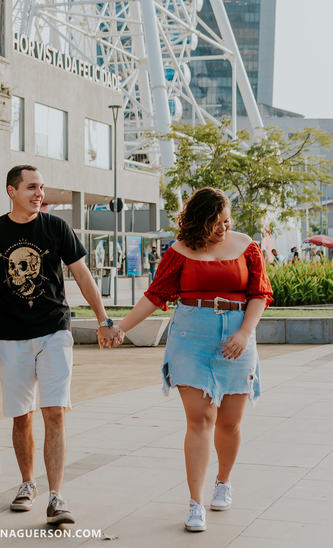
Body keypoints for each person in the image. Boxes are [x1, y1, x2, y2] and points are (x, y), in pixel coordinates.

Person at [98, 188, 273, 532]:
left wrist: (244, 334)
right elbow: (156, 295)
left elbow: (260, 293)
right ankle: (195, 503)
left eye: (227, 221)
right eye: (216, 222)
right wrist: (120, 328)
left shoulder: (247, 246)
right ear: (199, 219)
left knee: (229, 422)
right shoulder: (179, 252)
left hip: (237, 335)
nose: (224, 228)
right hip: (191, 336)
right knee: (200, 419)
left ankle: (223, 481)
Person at [0, 165, 117, 527]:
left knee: (54, 412)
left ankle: (56, 496)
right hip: (12, 337)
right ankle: (26, 484)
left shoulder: (56, 227)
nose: (39, 193)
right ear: (11, 191)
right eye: (31, 187)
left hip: (54, 331)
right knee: (23, 416)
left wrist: (103, 319)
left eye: (42, 187)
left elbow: (82, 275)